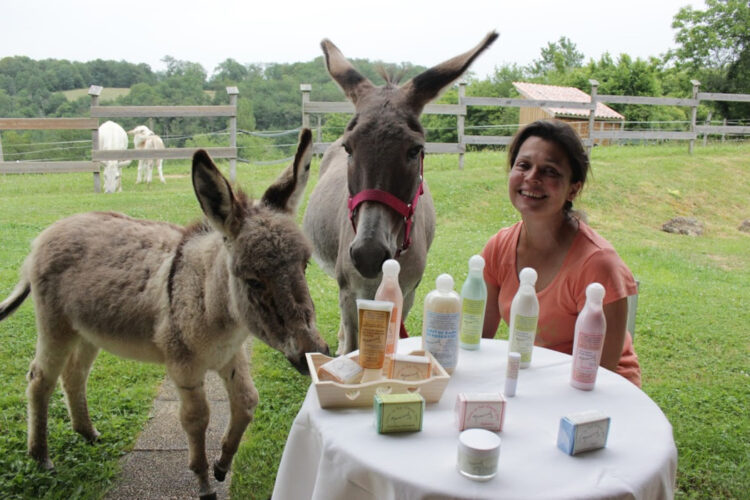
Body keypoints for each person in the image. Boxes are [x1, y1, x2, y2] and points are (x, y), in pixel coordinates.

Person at [481, 119, 641, 387]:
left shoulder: (597, 263)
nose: (532, 178)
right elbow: (477, 340)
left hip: (598, 389)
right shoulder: (498, 247)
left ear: (573, 188)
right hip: (535, 378)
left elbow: (602, 374)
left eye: (550, 171)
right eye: (523, 165)